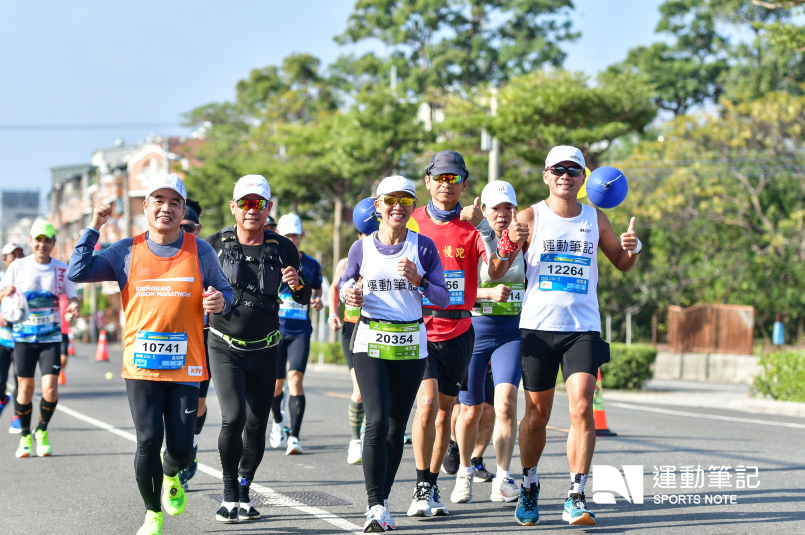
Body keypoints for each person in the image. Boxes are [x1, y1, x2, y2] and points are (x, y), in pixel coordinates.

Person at [67, 174, 234, 535]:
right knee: (147, 441)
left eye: (175, 202)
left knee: (181, 450)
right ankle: (152, 513)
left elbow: (225, 292)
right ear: (145, 206)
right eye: (159, 200)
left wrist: (221, 301)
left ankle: (172, 473)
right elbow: (77, 271)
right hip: (140, 366)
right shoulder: (126, 251)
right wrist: (94, 226)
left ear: (183, 210)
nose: (166, 208)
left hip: (186, 366)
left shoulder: (200, 250)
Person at [487, 146, 641, 526]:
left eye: (574, 170)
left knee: (582, 408)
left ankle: (576, 495)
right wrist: (507, 243)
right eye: (558, 169)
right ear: (546, 175)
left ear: (583, 178)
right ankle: (529, 483)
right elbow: (495, 272)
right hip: (538, 329)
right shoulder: (529, 217)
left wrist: (632, 248)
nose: (565, 176)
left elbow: (621, 263)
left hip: (582, 329)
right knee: (536, 416)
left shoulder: (595, 218)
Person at [339, 175, 449, 532]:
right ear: (378, 206)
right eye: (390, 200)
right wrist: (349, 294)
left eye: (405, 200)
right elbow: (345, 283)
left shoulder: (423, 247)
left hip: (410, 345)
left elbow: (444, 297)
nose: (397, 207)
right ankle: (373, 505)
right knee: (376, 421)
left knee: (396, 427)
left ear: (413, 206)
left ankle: (383, 501)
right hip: (371, 340)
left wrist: (419, 280)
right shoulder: (362, 248)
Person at [204, 175, 311, 522]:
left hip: (266, 348)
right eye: (245, 203)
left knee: (255, 425)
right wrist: (205, 301)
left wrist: (297, 285)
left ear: (268, 208)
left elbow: (304, 296)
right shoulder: (212, 246)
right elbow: (192, 289)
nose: (252, 210)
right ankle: (228, 492)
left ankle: (245, 490)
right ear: (233, 207)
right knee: (233, 417)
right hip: (224, 346)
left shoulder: (284, 248)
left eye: (259, 204)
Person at [407, 150, 488, 518]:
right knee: (426, 405)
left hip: (459, 329)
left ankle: (430, 484)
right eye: (439, 178)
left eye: (453, 178)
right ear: (428, 182)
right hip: (419, 328)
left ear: (464, 184)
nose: (446, 184)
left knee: (444, 415)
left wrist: (487, 228)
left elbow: (498, 268)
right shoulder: (411, 221)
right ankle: (420, 485)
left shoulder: (473, 224)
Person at [453, 181, 524, 504]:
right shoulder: (470, 237)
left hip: (511, 332)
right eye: (496, 208)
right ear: (483, 210)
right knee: (472, 410)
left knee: (506, 403)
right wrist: (486, 293)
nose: (503, 214)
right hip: (475, 330)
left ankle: (503, 477)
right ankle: (464, 472)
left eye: (509, 208)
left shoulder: (523, 239)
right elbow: (454, 287)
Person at [0, 221, 79, 459]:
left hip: (51, 338)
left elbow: (72, 296)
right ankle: (25, 435)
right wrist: (4, 295)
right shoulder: (18, 266)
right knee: (25, 389)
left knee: (50, 389)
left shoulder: (61, 268)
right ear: (31, 242)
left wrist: (74, 306)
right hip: (23, 337)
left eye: (47, 240)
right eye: (38, 240)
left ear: (53, 243)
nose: (42, 245)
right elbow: (2, 292)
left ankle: (41, 430)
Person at [328, 198, 379, 465]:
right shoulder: (347, 261)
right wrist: (332, 313)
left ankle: (371, 434)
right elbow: (335, 287)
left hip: (377, 328)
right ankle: (354, 441)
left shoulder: (386, 259)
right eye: (364, 234)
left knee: (379, 390)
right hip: (352, 329)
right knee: (359, 390)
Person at [269, 214, 322, 455]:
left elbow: (316, 290)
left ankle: (294, 437)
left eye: (295, 235)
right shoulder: (271, 261)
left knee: (296, 381)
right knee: (276, 386)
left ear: (301, 236)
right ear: (280, 235)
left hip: (300, 332)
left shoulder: (311, 264)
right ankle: (278, 422)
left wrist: (317, 300)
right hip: (276, 332)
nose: (292, 239)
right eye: (287, 235)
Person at [176, 199, 205, 490]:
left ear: (198, 228)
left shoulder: (207, 253)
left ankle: (190, 446)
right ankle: (174, 452)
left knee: (198, 403)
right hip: (172, 340)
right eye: (181, 226)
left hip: (204, 339)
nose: (184, 231)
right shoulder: (164, 253)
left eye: (190, 227)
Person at [0, 243, 23, 427]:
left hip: (23, 338)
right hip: (2, 338)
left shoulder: (28, 279)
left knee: (20, 379)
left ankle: (18, 416)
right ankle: (2, 399)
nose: (17, 258)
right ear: (4, 259)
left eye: (20, 255)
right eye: (12, 255)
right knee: (1, 381)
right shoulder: (1, 278)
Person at [57, 293, 72, 385]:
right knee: (54, 357)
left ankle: (61, 370)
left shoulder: (67, 297)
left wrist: (71, 315)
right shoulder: (53, 295)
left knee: (63, 358)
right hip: (53, 332)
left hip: (64, 332)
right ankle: (55, 372)